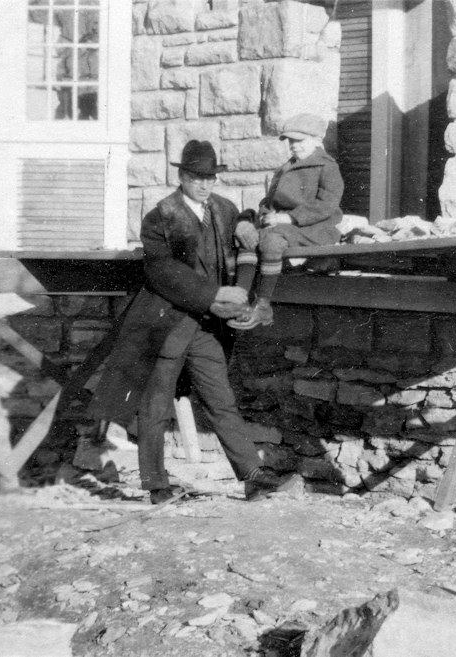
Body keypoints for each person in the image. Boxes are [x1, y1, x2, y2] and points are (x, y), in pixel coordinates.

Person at [88, 140, 300, 504]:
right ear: (182, 176)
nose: (204, 185)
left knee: (221, 399)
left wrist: (248, 221)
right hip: (166, 325)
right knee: (155, 406)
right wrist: (214, 297)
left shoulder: (223, 208)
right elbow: (162, 272)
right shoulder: (161, 216)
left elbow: (244, 225)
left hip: (203, 329)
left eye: (210, 178)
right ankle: (156, 486)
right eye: (196, 177)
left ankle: (252, 476)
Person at [228, 113, 344, 330]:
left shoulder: (327, 167)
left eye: (298, 141)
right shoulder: (284, 168)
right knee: (250, 238)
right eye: (290, 141)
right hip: (281, 226)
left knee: (271, 242)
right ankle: (241, 302)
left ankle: (263, 305)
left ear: (315, 140)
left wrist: (289, 217)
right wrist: (266, 214)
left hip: (314, 228)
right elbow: (269, 200)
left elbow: (327, 205)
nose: (293, 146)